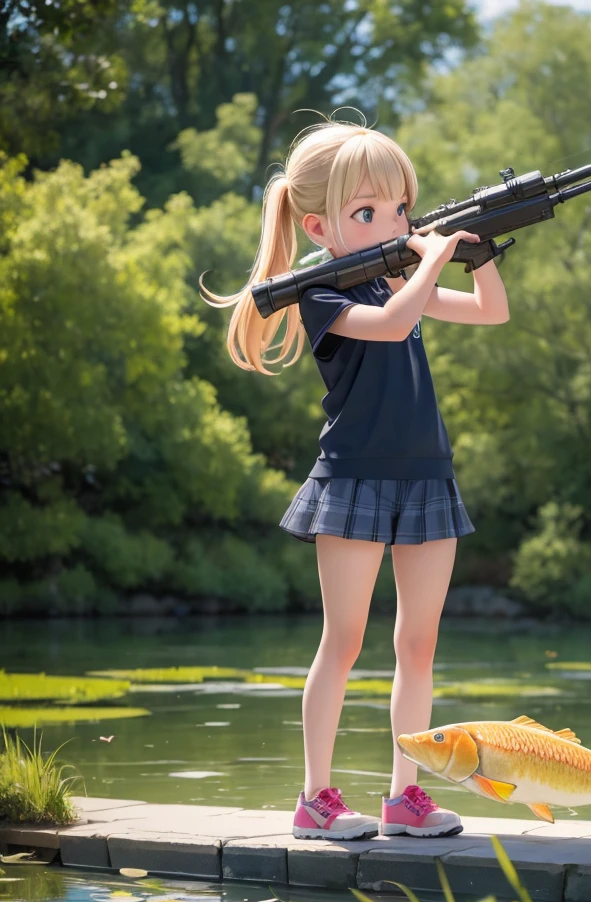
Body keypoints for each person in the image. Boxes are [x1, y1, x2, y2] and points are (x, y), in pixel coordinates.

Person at [201, 115, 509, 841]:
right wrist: (430, 258)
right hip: (354, 480)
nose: (394, 223)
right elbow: (397, 324)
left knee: (419, 643)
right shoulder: (323, 295)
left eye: (400, 208)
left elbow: (492, 312)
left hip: (428, 476)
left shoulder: (398, 276)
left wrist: (481, 249)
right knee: (342, 641)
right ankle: (316, 800)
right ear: (319, 226)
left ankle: (407, 799)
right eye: (367, 212)